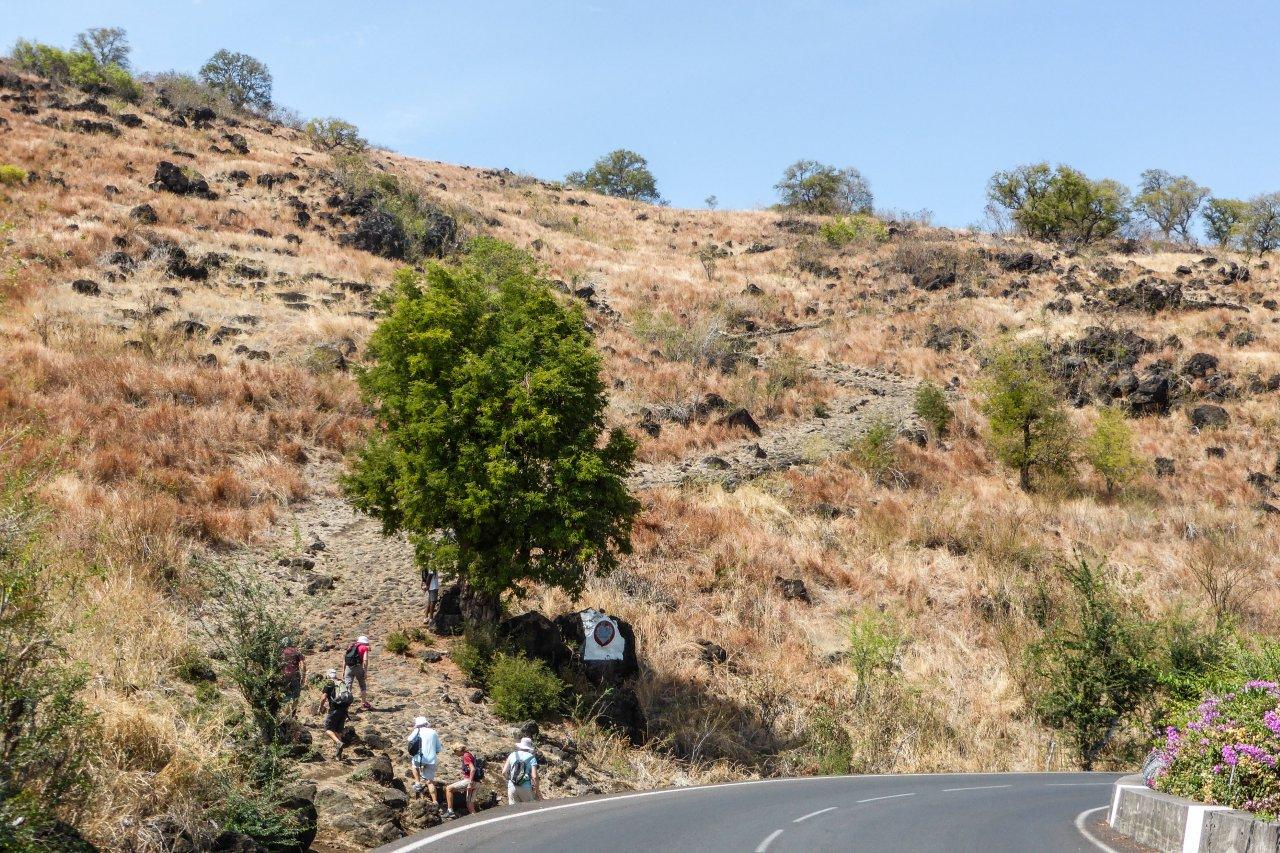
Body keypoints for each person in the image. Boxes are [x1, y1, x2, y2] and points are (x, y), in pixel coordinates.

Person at [317, 669, 352, 760]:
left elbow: (324, 697)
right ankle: (338, 755)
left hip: (334, 710)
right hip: (343, 711)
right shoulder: (341, 683)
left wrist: (320, 707)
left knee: (327, 729)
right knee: (337, 731)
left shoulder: (329, 684)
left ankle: (338, 742)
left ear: (328, 676)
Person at [407, 716, 443, 802]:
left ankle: (417, 782)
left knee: (414, 766)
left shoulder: (418, 730)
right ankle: (435, 801)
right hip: (431, 759)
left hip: (420, 757)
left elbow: (409, 739)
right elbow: (438, 748)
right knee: (430, 782)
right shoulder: (433, 732)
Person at [444, 744, 480, 818]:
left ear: (458, 750)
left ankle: (450, 810)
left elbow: (472, 769)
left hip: (470, 781)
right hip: (477, 782)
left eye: (455, 751)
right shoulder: (470, 754)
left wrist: (470, 783)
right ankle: (478, 821)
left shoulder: (465, 756)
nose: (455, 753)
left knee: (448, 788)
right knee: (469, 805)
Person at [502, 736, 539, 804]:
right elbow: (534, 776)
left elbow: (504, 772)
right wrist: (537, 791)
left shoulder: (512, 755)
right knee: (530, 809)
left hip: (512, 786)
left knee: (514, 810)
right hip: (526, 787)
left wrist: (510, 779)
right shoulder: (532, 757)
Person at [343, 634, 372, 711]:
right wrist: (365, 671)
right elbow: (365, 660)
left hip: (348, 668)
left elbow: (345, 659)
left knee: (347, 686)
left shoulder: (351, 646)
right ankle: (364, 703)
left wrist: (344, 670)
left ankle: (346, 706)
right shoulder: (364, 648)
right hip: (358, 667)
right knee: (362, 685)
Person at [280, 638, 306, 720]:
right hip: (295, 676)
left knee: (286, 697)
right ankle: (292, 716)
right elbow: (303, 665)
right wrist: (303, 677)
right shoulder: (297, 652)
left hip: (284, 677)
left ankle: (286, 716)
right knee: (296, 697)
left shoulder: (281, 652)